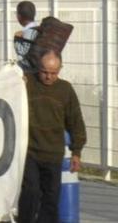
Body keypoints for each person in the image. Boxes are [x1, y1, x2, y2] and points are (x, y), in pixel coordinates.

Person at [18, 51, 86, 223]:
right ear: (37, 68)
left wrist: (76, 152)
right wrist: (17, 80)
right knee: (30, 192)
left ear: (60, 69)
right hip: (30, 152)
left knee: (51, 199)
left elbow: (75, 121)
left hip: (53, 154)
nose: (48, 77)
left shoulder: (65, 90)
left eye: (53, 73)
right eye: (44, 72)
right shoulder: (27, 83)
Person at [14, 0, 40, 73]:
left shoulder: (27, 32)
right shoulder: (38, 29)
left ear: (19, 16)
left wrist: (16, 39)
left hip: (30, 72)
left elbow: (22, 54)